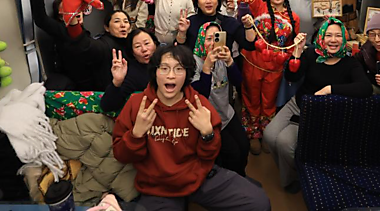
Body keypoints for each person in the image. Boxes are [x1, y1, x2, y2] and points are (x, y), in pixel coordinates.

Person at [112, 45, 270, 211]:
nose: (171, 75)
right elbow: (121, 155)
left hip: (200, 179)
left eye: (179, 69)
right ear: (155, 72)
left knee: (259, 203)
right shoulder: (137, 104)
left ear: (187, 74)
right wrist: (136, 134)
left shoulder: (199, 104)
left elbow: (209, 154)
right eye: (164, 68)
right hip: (159, 188)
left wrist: (207, 134)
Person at [263, 18, 372, 193]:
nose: (333, 40)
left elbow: (365, 88)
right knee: (269, 135)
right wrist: (297, 52)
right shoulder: (311, 54)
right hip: (297, 104)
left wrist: (330, 89)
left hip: (318, 113)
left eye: (338, 36)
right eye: (328, 35)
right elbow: (292, 77)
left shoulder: (350, 62)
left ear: (344, 38)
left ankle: (291, 178)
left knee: (284, 143)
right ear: (321, 37)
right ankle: (291, 168)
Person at [236, 0, 300, 155]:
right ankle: (252, 133)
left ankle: (266, 132)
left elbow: (290, 45)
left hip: (275, 67)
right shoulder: (259, 7)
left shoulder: (294, 18)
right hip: (253, 63)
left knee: (269, 101)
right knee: (251, 98)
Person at [191, 23, 249, 176]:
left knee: (244, 146)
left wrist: (230, 62)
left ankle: (241, 178)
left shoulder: (222, 56)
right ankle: (234, 180)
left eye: (216, 38)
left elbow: (238, 81)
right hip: (210, 120)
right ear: (201, 40)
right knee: (232, 155)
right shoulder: (194, 62)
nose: (212, 43)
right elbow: (200, 95)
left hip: (227, 113)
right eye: (208, 39)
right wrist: (207, 68)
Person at [31, 0, 94, 90]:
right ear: (61, 16)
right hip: (73, 85)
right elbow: (41, 19)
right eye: (68, 8)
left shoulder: (87, 35)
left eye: (76, 7)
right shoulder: (62, 31)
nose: (74, 11)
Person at [176, 0, 256, 52]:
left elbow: (249, 45)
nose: (208, 1)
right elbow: (180, 49)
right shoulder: (190, 22)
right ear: (197, 3)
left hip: (223, 64)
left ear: (218, 1)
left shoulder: (229, 22)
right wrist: (182, 32)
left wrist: (248, 27)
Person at [66, 10, 132, 91]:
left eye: (126, 21)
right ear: (107, 28)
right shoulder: (104, 44)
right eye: (117, 21)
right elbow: (86, 45)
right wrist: (74, 23)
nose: (123, 25)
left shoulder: (131, 43)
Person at [101, 28, 159, 112]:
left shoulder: (167, 60)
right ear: (132, 52)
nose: (144, 49)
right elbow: (107, 106)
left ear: (155, 44)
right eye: (137, 46)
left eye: (147, 43)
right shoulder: (132, 73)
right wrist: (117, 82)